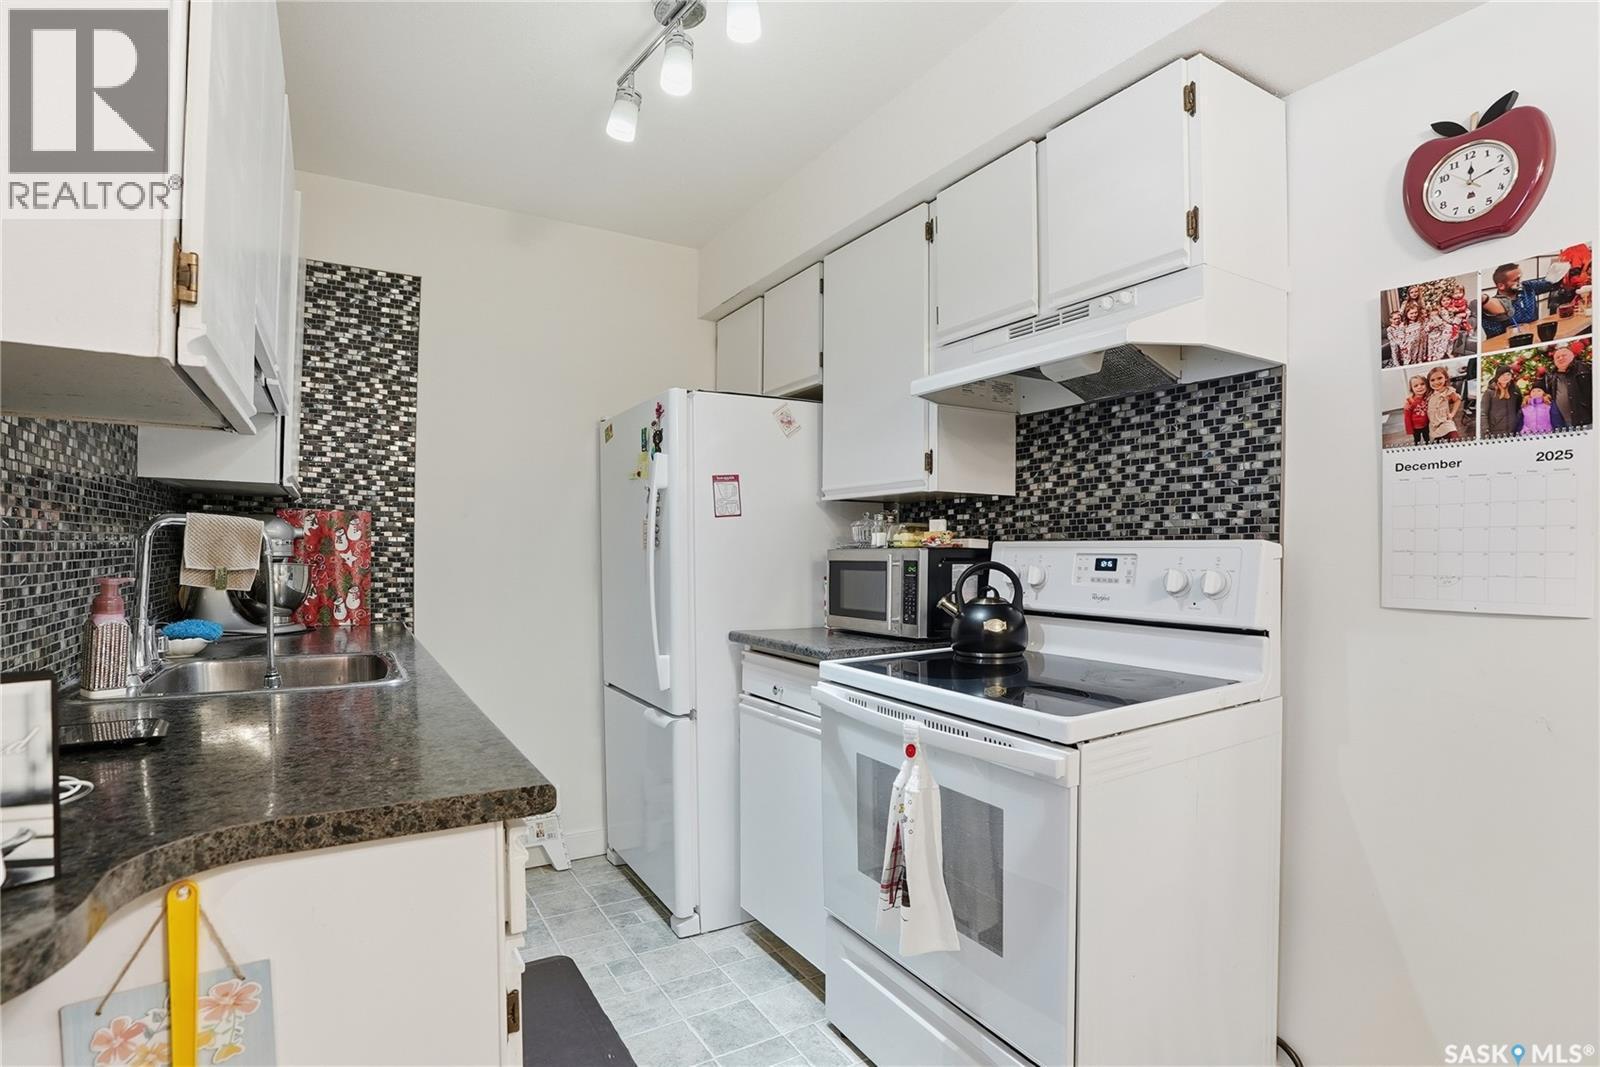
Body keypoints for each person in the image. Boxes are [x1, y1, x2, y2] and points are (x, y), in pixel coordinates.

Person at [1483, 263, 1558, 339]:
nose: (1520, 283)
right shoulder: (1492, 307)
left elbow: (1550, 284)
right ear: (1501, 286)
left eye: (1520, 278)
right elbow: (1495, 339)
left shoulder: (1527, 287)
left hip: (1536, 335)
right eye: (1516, 280)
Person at [1542, 345, 1592, 429]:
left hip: (1586, 421)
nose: (1560, 358)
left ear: (1572, 356)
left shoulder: (1583, 369)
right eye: (1557, 357)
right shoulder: (1552, 377)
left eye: (1564, 355)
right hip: (1566, 423)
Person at [1480, 367, 1523, 437]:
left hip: (1513, 431)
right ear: (1497, 376)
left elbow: (1518, 407)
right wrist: (1485, 430)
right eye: (1502, 375)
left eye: (1508, 374)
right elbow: (1483, 412)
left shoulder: (1515, 390)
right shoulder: (1490, 392)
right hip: (1495, 431)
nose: (1505, 377)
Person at [1427, 366, 1464, 442]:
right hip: (1434, 424)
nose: (1436, 382)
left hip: (1445, 421)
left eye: (1439, 378)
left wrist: (1452, 414)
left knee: (1454, 438)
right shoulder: (1431, 393)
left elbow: (1458, 400)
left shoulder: (1448, 391)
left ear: (1446, 378)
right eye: (1432, 380)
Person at [1402, 374, 1432, 444]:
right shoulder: (1410, 401)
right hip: (1415, 427)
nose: (1420, 387)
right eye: (1416, 386)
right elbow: (1407, 417)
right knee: (1417, 440)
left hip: (1426, 425)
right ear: (1412, 389)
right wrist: (1409, 429)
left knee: (1427, 439)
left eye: (1422, 384)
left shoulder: (1427, 398)